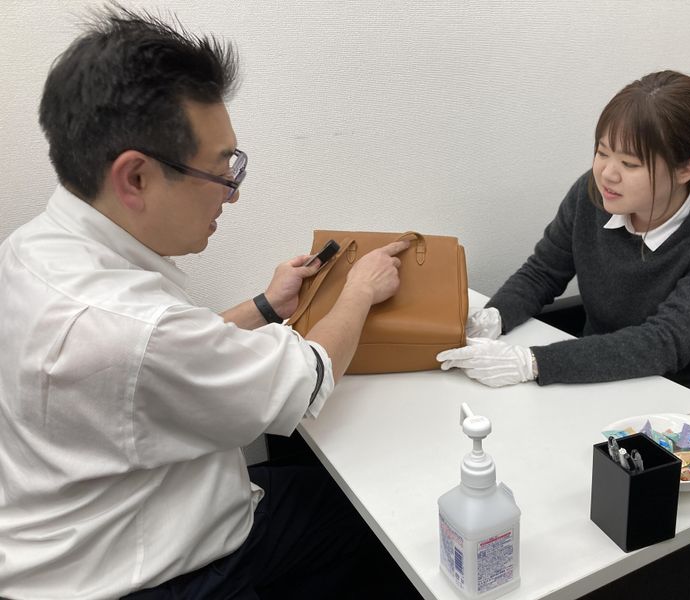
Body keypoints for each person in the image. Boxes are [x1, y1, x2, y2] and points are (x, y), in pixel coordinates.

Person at [0, 6, 419, 600]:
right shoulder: (133, 329)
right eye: (223, 171)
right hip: (157, 574)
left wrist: (266, 305)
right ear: (136, 178)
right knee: (378, 526)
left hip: (61, 542)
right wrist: (360, 290)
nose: (233, 195)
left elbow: (149, 367)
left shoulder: (28, 251)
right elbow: (306, 378)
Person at [438, 70, 690, 391]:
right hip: (600, 378)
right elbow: (543, 272)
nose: (607, 174)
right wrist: (495, 315)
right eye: (602, 152)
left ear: (686, 169)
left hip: (689, 396)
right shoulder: (593, 194)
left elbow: (664, 342)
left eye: (630, 164)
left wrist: (532, 362)